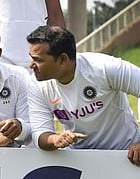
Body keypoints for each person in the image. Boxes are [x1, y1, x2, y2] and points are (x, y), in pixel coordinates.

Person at [25, 25, 140, 164]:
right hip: (80, 161)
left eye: (38, 60)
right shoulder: (36, 84)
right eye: (31, 58)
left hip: (125, 154)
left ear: (62, 60)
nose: (31, 65)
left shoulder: (104, 68)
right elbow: (39, 132)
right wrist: (55, 139)